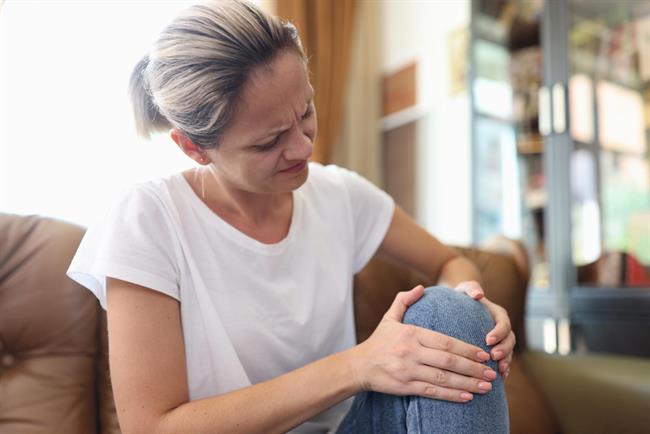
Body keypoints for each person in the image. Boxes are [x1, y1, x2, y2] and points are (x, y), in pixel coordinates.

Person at [67, 1, 514, 433]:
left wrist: (472, 304)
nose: (304, 147)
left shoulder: (340, 195)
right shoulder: (147, 220)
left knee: (448, 310)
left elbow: (449, 264)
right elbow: (152, 426)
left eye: (306, 112)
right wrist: (357, 365)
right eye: (269, 141)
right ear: (193, 147)